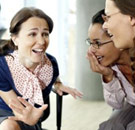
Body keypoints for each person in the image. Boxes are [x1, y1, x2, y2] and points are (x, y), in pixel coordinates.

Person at [0, 7, 83, 130]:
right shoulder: (3, 63)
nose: (41, 41)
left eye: (45, 34)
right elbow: (18, 109)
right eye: (32, 34)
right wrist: (32, 118)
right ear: (15, 39)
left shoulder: (51, 64)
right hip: (6, 113)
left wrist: (58, 83)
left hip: (32, 117)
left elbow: (48, 73)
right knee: (9, 126)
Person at [86, 9, 135, 130]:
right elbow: (116, 104)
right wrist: (108, 76)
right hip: (131, 103)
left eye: (97, 43)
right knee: (110, 126)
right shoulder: (112, 66)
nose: (91, 50)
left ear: (117, 38)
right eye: (90, 43)